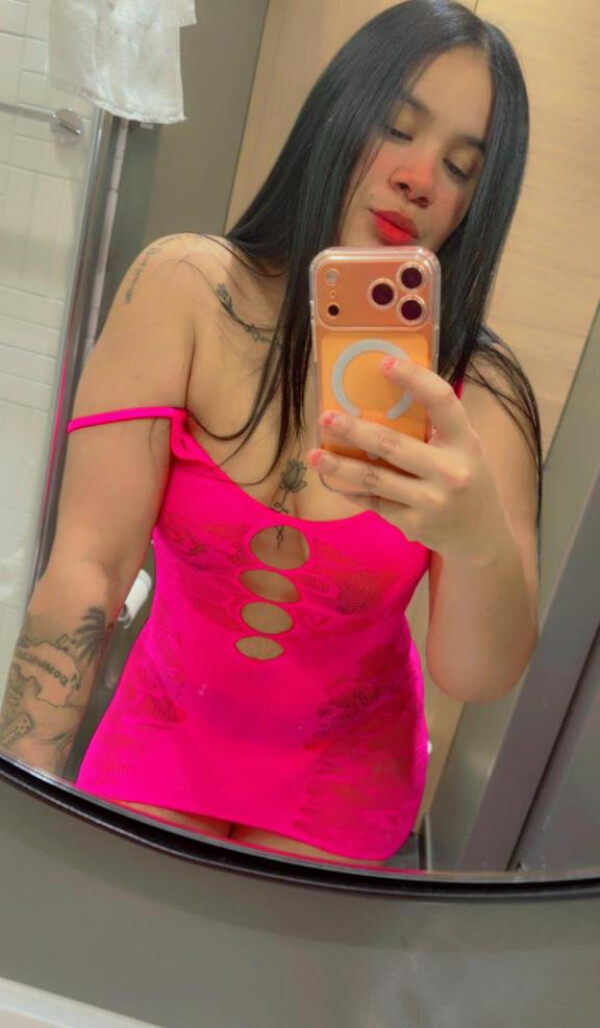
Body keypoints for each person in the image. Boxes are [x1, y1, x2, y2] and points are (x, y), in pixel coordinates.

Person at [0, 0, 541, 867]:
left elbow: (477, 676)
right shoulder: (183, 289)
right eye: (397, 127)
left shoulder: (483, 397)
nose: (419, 179)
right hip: (162, 734)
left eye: (459, 167)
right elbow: (88, 570)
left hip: (347, 778)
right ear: (339, 112)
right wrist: (19, 823)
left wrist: (478, 541)